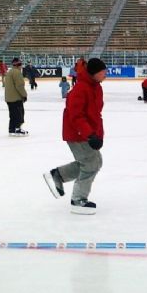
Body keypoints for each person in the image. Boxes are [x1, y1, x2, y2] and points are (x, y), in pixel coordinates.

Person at [43, 58, 107, 215]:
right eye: (103, 72)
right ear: (94, 73)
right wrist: (90, 134)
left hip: (87, 133)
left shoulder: (96, 88)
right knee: (91, 163)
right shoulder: (80, 89)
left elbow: (95, 114)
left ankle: (58, 175)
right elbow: (76, 116)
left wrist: (98, 134)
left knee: (94, 161)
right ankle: (78, 199)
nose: (106, 74)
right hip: (77, 133)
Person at [4, 58, 28, 136]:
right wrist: (24, 95)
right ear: (18, 65)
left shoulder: (10, 72)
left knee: (12, 114)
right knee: (19, 114)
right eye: (21, 64)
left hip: (9, 97)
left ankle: (12, 129)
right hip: (16, 97)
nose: (21, 66)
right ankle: (18, 129)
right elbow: (19, 86)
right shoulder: (17, 72)